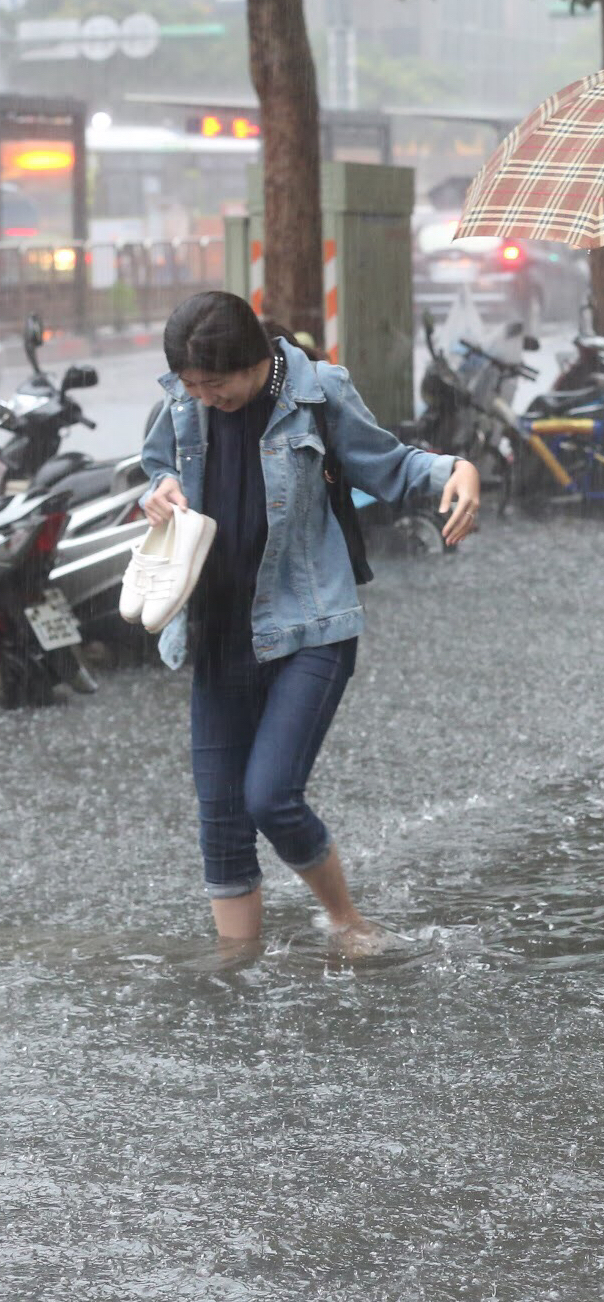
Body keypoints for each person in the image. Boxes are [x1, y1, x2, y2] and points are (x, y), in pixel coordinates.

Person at [140, 291, 481, 947]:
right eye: (190, 385)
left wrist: (456, 469)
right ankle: (236, 968)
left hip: (311, 628)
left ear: (254, 360)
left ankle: (348, 922)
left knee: (269, 796)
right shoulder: (184, 402)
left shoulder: (316, 393)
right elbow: (157, 466)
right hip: (217, 633)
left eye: (216, 383)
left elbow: (391, 466)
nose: (204, 397)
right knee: (222, 820)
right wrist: (159, 489)